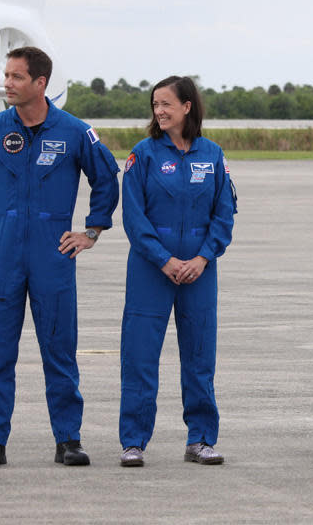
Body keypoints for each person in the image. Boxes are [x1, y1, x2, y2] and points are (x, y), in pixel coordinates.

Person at [0, 46, 120, 468]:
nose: (7, 83)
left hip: (53, 255)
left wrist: (91, 231)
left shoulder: (74, 132)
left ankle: (68, 440)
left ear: (40, 83)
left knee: (59, 349)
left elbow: (107, 180)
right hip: (2, 255)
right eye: (6, 75)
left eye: (16, 77)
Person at [118, 76, 236, 467]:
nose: (159, 111)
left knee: (200, 356)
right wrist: (164, 260)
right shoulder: (143, 155)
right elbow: (134, 218)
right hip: (152, 269)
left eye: (166, 103)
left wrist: (203, 258)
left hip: (200, 270)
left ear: (187, 106)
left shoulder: (213, 155)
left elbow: (224, 215)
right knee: (140, 356)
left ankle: (200, 439)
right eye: (155, 105)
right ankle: (133, 441)